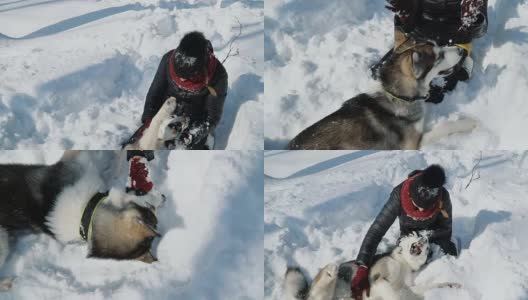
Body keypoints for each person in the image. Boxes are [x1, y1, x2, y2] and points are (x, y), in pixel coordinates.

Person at [350, 165, 456, 299]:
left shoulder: (443, 197)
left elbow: (446, 229)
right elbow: (377, 230)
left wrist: (425, 238)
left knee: (440, 263)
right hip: (408, 238)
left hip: (433, 239)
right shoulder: (399, 195)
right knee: (398, 267)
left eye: (427, 208)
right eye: (418, 206)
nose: (422, 211)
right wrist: (363, 265)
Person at [372, 0, 488, 103]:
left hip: (452, 40)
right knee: (388, 74)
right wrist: (405, 15)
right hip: (419, 34)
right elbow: (405, 14)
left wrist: (474, 22)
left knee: (435, 90)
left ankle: (460, 67)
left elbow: (481, 31)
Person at [127, 31, 228, 150]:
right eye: (178, 76)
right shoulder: (168, 59)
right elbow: (155, 91)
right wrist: (149, 119)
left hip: (194, 121)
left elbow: (211, 118)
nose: (181, 80)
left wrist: (190, 135)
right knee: (135, 148)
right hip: (165, 111)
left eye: (185, 78)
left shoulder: (218, 76)